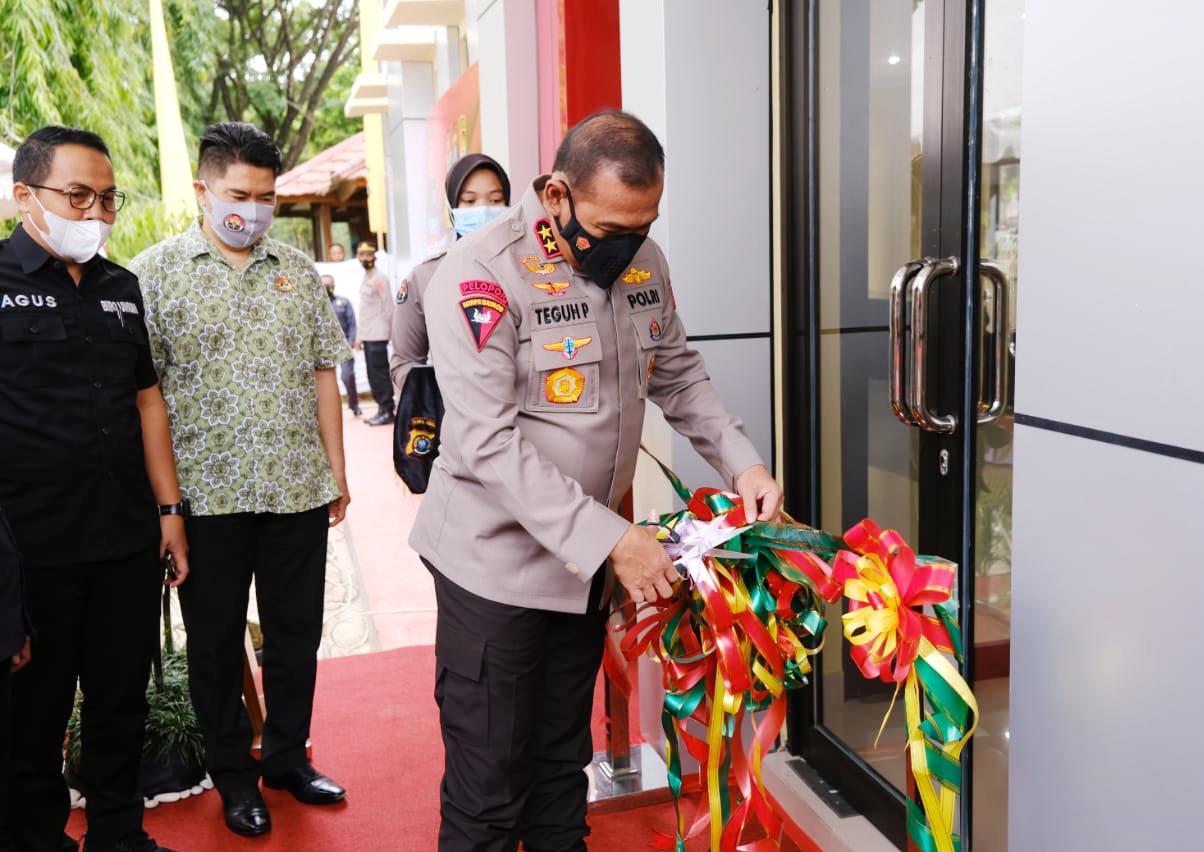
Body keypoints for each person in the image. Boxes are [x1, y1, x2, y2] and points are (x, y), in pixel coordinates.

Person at [410, 110, 784, 852]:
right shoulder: (481, 276)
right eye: (613, 229)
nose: (630, 245)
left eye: (645, 224)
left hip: (582, 567)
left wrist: (744, 461)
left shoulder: (644, 262)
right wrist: (615, 539)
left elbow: (677, 376)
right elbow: (484, 440)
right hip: (495, 571)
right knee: (489, 789)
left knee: (559, 768)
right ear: (556, 195)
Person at [128, 121, 351, 839]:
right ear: (203, 188)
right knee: (216, 644)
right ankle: (232, 775)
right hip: (205, 498)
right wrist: (163, 504)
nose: (252, 208)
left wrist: (336, 471)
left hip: (295, 488)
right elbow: (143, 396)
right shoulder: (153, 273)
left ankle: (286, 756)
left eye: (265, 196)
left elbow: (324, 374)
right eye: (238, 193)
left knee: (296, 635)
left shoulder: (296, 273)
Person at [0, 126, 189, 852]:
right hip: (31, 550)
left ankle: (119, 835)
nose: (96, 212)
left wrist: (169, 512)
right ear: (26, 195)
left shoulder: (122, 288)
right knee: (33, 718)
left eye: (107, 198)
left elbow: (147, 401)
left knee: (119, 704)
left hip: (124, 538)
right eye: (77, 195)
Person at [388, 153, 510, 394]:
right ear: (453, 209)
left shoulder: (529, 269)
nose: (483, 210)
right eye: (469, 201)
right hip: (455, 421)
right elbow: (405, 362)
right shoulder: (425, 277)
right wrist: (441, 400)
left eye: (495, 200)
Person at [353, 242, 395, 426]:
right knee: (372, 375)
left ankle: (387, 410)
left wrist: (394, 332)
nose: (365, 259)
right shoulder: (365, 277)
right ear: (358, 257)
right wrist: (360, 335)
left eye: (369, 255)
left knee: (380, 374)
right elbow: (365, 311)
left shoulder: (380, 278)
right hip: (368, 335)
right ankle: (380, 408)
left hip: (378, 334)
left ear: (374, 257)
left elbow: (389, 306)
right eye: (362, 255)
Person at [323, 274, 360, 416]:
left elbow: (352, 324)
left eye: (329, 285)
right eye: (323, 286)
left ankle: (354, 404)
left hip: (343, 345)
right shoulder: (315, 305)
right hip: (324, 347)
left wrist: (351, 342)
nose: (326, 289)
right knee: (325, 380)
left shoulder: (343, 303)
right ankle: (327, 411)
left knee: (347, 376)